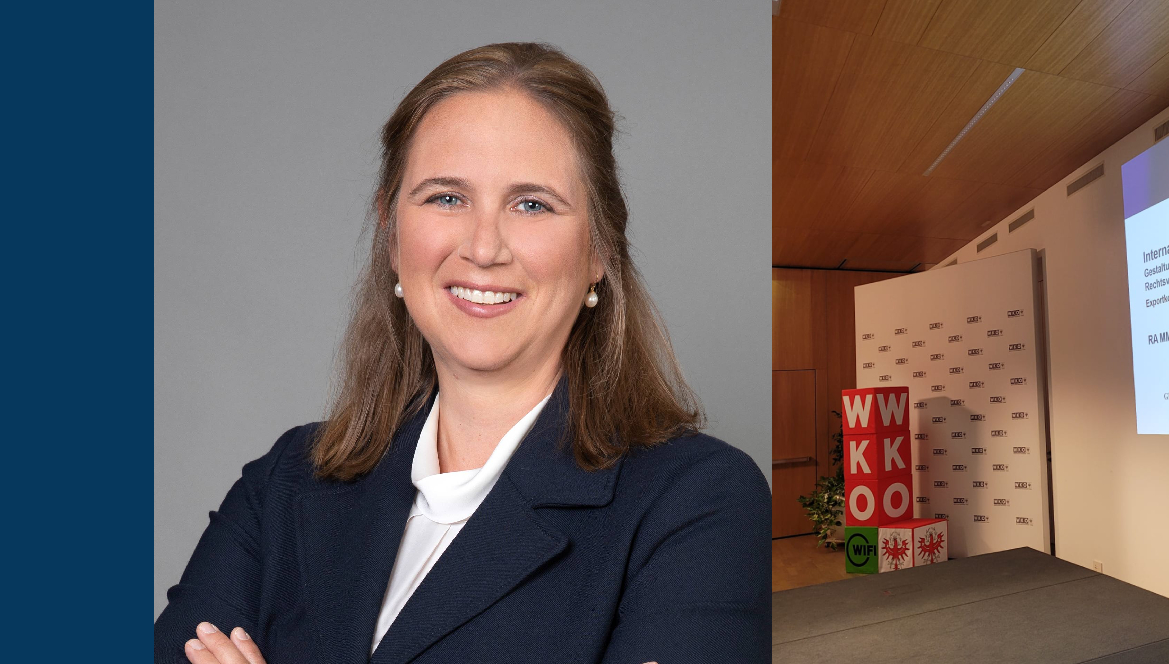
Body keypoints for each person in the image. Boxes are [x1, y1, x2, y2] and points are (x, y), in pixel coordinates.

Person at [154, 42, 770, 663]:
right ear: (392, 234)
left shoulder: (697, 502)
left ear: (600, 250)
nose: (483, 247)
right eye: (446, 197)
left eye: (531, 204)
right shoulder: (286, 483)